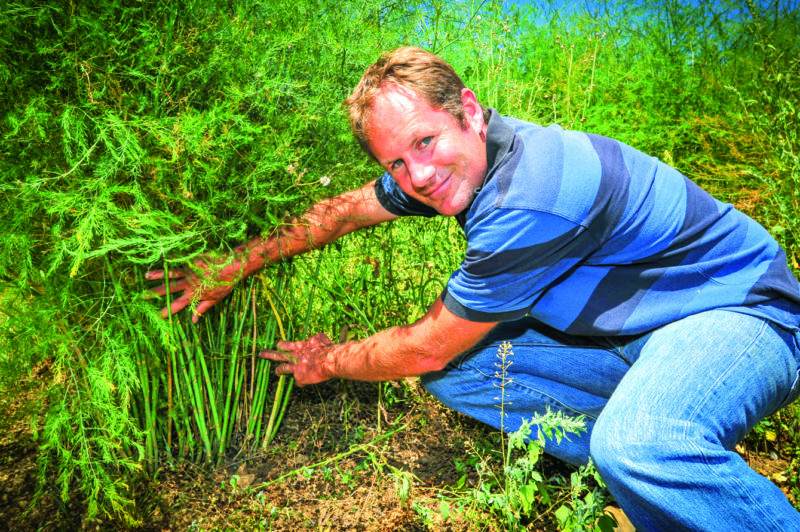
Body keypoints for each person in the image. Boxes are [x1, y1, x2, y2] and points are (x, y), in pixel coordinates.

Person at [147, 47, 800, 530]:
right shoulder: (459, 161)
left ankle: (658, 452)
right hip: (632, 334)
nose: (419, 175)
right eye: (396, 161)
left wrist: (328, 360)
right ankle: (655, 477)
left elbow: (426, 345)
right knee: (464, 375)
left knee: (638, 440)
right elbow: (342, 212)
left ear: (467, 110)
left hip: (742, 317)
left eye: (425, 142)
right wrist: (233, 264)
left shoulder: (534, 196)